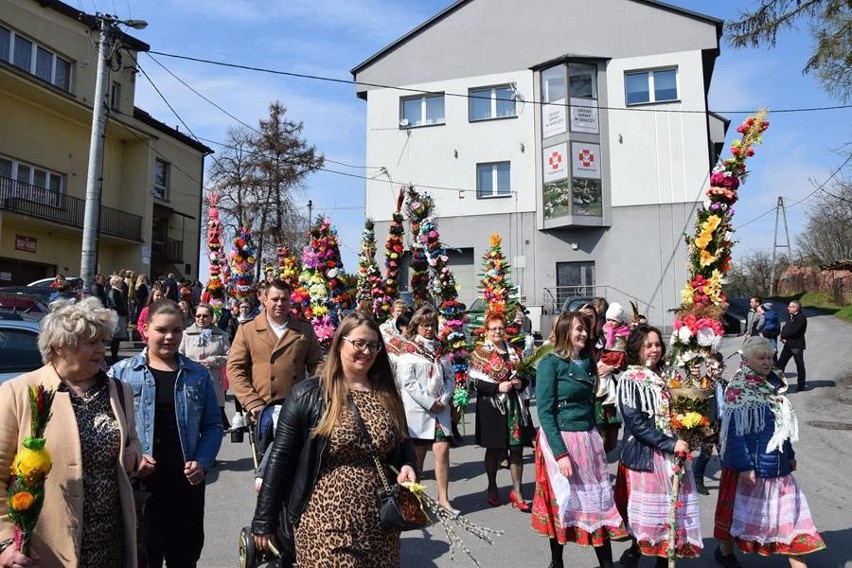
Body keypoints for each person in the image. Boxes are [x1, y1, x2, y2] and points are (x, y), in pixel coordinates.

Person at [251, 313, 417, 568]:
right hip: (324, 519)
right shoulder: (309, 394)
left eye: (374, 345)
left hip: (380, 521)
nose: (367, 351)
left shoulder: (386, 394)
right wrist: (264, 521)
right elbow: (280, 458)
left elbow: (403, 441)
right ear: (340, 343)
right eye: (359, 343)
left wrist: (408, 464)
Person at [0, 298, 142, 567]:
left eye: (103, 341)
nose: (102, 349)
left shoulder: (119, 391)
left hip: (110, 548)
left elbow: (131, 441)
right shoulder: (19, 393)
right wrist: (6, 543)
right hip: (45, 551)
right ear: (60, 347)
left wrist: (134, 454)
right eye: (91, 342)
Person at [110, 299, 223, 568]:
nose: (170, 337)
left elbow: (213, 425)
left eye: (177, 330)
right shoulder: (120, 374)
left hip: (186, 484)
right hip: (142, 485)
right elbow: (110, 427)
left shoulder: (197, 374)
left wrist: (203, 462)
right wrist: (132, 455)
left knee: (183, 557)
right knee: (143, 557)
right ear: (146, 330)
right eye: (162, 330)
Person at [714, 336, 826, 568]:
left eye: (770, 357)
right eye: (761, 358)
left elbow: (781, 426)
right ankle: (724, 551)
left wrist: (790, 454)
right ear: (747, 360)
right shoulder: (738, 389)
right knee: (739, 517)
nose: (767, 362)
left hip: (778, 466)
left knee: (792, 522)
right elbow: (734, 434)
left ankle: (797, 563)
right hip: (753, 468)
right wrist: (744, 467)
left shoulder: (771, 385)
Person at [532, 311, 628, 568]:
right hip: (561, 440)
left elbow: (590, 403)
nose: (584, 333)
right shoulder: (550, 363)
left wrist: (594, 437)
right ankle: (557, 561)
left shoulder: (587, 359)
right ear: (565, 331)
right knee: (563, 502)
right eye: (578, 329)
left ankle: (606, 564)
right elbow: (545, 412)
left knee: (597, 502)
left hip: (587, 438)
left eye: (586, 328)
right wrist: (561, 454)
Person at [615, 325, 701, 567]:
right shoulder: (630, 379)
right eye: (648, 345)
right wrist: (670, 444)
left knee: (668, 514)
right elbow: (637, 424)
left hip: (671, 453)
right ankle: (634, 554)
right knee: (648, 518)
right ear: (636, 349)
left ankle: (660, 561)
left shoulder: (662, 375)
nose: (655, 350)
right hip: (649, 457)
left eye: (657, 345)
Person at [228, 279, 323, 422]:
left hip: (297, 408)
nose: (280, 304)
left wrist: (317, 394)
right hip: (262, 409)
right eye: (275, 299)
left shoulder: (304, 329)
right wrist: (251, 400)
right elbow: (235, 368)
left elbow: (317, 365)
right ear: (265, 300)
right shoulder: (248, 329)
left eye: (284, 299)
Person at [395, 305, 457, 512]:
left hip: (441, 410)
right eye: (425, 325)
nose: (429, 329)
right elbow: (408, 382)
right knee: (417, 457)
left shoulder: (442, 349)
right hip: (420, 411)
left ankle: (444, 499)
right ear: (416, 326)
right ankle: (415, 500)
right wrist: (431, 403)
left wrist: (445, 398)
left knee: (442, 451)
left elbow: (450, 377)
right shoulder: (408, 349)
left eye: (432, 325)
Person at [469, 312, 532, 511]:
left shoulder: (515, 351)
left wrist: (520, 383)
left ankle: (518, 492)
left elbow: (528, 376)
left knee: (516, 449)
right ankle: (492, 487)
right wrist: (498, 388)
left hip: (514, 407)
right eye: (493, 328)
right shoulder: (480, 353)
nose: (498, 331)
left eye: (500, 328)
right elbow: (475, 384)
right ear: (486, 332)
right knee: (494, 449)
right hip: (492, 407)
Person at [180, 303, 232, 430]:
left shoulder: (221, 335)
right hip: (191, 379)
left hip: (213, 379)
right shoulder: (186, 335)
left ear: (211, 317)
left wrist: (213, 360)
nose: (201, 319)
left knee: (211, 416)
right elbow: (178, 355)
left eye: (205, 316)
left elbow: (230, 357)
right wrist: (190, 363)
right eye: (198, 316)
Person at [596, 302, 629, 454]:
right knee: (600, 438)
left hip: (611, 377)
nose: (609, 323)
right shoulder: (599, 335)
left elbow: (623, 359)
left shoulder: (620, 333)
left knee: (611, 442)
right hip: (595, 391)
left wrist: (613, 367)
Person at [692, 352, 725, 495]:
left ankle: (728, 482)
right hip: (708, 425)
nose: (716, 370)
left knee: (724, 454)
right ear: (707, 367)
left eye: (719, 367)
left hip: (722, 423)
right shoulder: (703, 383)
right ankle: (698, 481)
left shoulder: (723, 382)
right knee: (705, 454)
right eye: (712, 367)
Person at [776, 300, 808, 392]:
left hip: (797, 345)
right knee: (780, 364)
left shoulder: (801, 318)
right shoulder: (790, 316)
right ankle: (778, 384)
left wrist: (784, 335)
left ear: (796, 308)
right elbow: (785, 327)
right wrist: (782, 335)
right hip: (788, 344)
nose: (788, 308)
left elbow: (794, 331)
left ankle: (801, 385)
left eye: (790, 307)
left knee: (799, 365)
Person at [107, 274, 130, 363]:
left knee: (117, 338)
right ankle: (114, 356)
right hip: (117, 316)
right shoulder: (113, 292)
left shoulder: (117, 292)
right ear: (116, 282)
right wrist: (125, 311)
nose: (121, 284)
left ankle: (115, 355)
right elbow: (115, 305)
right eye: (120, 282)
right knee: (115, 338)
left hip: (119, 315)